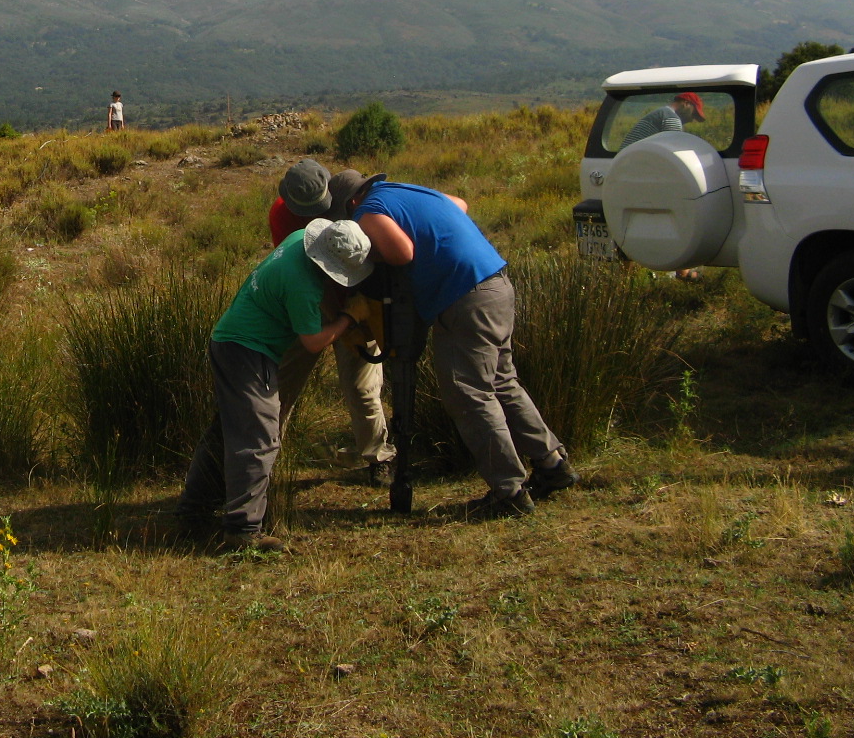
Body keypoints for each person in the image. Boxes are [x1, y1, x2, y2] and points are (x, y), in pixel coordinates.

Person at [351, 179, 577, 518]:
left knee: (469, 393)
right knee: (502, 382)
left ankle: (509, 491)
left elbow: (402, 253)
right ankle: (552, 463)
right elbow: (460, 204)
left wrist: (377, 254)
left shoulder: (368, 210)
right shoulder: (409, 192)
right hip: (496, 284)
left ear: (352, 201)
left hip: (464, 298)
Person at [177, 218, 374, 551]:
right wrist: (349, 318)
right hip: (249, 351)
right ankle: (242, 529)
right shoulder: (303, 284)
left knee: (227, 433)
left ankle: (193, 512)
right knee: (260, 438)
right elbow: (313, 342)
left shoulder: (299, 238)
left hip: (231, 341)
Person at [269, 162, 396, 484]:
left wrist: (358, 316)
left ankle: (378, 457)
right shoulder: (282, 215)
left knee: (363, 388)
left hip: (357, 302)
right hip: (307, 305)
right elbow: (303, 273)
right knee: (281, 384)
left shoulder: (350, 201)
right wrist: (338, 318)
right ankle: (262, 463)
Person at [621, 91, 704, 148]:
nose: (692, 120)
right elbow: (674, 152)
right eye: (694, 114)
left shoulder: (662, 113)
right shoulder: (671, 118)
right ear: (686, 104)